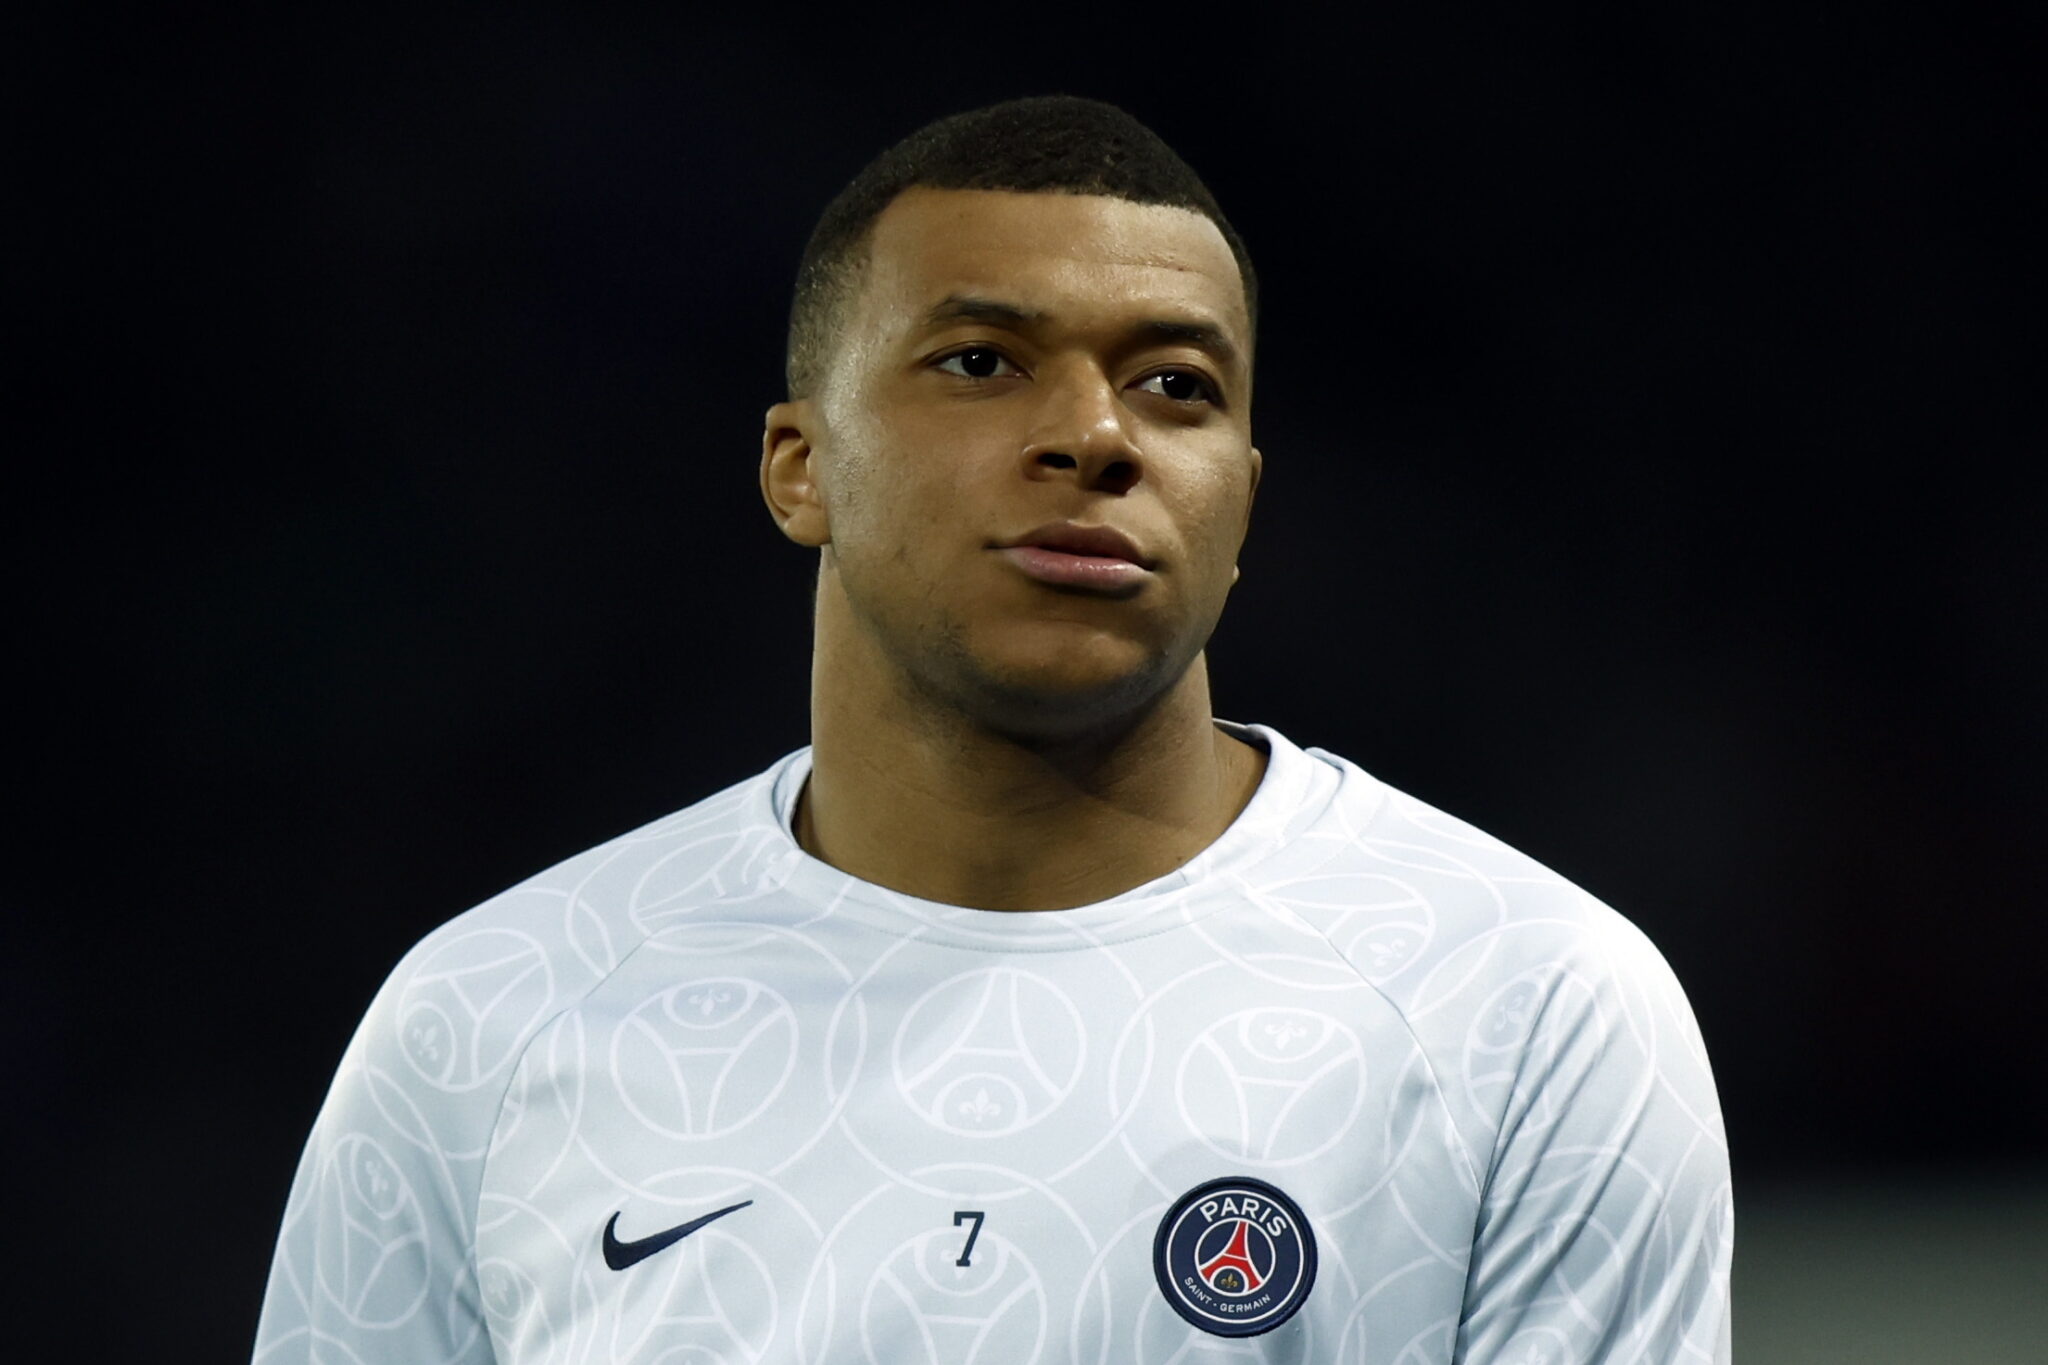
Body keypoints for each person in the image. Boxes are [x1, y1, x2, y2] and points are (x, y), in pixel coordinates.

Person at [254, 95, 1731, 1363]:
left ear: (1243, 504)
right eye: (982, 361)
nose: (1096, 434)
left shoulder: (1522, 1007)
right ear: (800, 466)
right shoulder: (492, 1021)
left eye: (1176, 385)